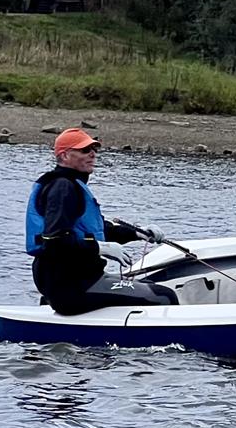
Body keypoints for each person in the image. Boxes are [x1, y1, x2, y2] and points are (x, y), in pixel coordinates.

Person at [26, 127, 178, 315]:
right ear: (64, 156)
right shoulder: (63, 188)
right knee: (164, 297)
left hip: (81, 281)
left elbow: (97, 230)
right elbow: (54, 241)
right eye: (84, 150)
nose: (92, 154)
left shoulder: (70, 185)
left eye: (94, 150)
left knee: (148, 285)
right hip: (71, 286)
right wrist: (100, 248)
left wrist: (137, 232)